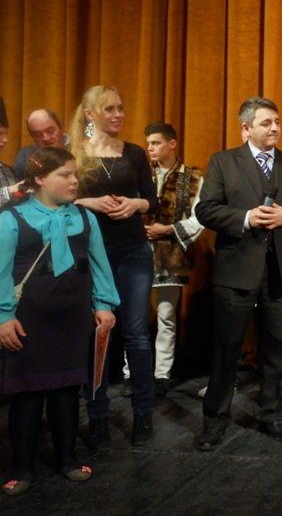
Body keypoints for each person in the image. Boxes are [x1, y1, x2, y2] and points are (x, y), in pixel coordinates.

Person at [194, 97, 282, 450]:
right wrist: (246, 218)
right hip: (236, 272)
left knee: (276, 349)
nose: (275, 128)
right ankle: (215, 420)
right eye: (267, 123)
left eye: (277, 121)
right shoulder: (223, 162)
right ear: (246, 129)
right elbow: (206, 210)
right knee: (227, 349)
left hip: (280, 272)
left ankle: (271, 414)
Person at [0, 147, 118, 496]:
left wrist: (104, 304)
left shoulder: (83, 217)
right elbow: (1, 272)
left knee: (67, 390)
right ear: (39, 178)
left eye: (74, 174)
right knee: (27, 394)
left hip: (72, 319)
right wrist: (4, 316)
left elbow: (99, 264)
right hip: (29, 321)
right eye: (64, 175)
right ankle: (21, 465)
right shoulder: (13, 219)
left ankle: (67, 457)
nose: (74, 181)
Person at [70, 85, 158, 448]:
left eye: (121, 108)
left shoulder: (134, 153)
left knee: (136, 333)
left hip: (134, 251)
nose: (119, 114)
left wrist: (135, 205)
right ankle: (98, 417)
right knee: (99, 333)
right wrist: (88, 202)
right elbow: (59, 200)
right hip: (94, 253)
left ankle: (143, 413)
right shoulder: (75, 153)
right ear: (91, 114)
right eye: (110, 109)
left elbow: (151, 201)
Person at [143, 122, 204, 395]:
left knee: (166, 315)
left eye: (156, 143)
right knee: (136, 316)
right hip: (138, 252)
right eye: (148, 144)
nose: (150, 148)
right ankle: (132, 371)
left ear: (172, 144)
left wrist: (169, 230)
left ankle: (161, 374)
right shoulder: (140, 174)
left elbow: (200, 217)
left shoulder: (193, 177)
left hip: (171, 253)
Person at [14, 109, 70, 178]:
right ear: (31, 136)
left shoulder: (79, 149)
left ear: (60, 127)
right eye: (38, 135)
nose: (46, 138)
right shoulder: (25, 156)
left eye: (50, 131)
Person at [1, 99, 21, 207]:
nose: (5, 139)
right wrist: (10, 190)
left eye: (6, 133)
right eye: (0, 133)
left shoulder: (7, 170)